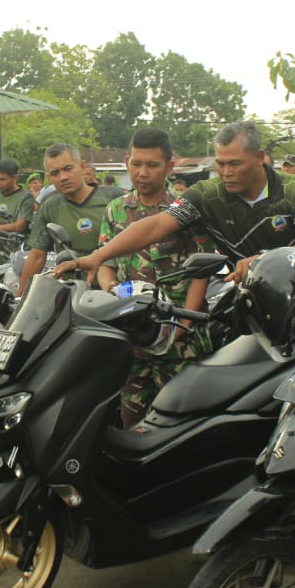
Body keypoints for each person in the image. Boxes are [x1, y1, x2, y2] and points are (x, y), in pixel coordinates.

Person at [60, 121, 295, 286]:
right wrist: (99, 256)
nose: (226, 172)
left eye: (235, 164)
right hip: (246, 295)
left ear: (260, 157)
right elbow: (156, 225)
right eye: (220, 164)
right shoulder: (206, 195)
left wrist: (261, 260)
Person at [97, 128, 214, 427]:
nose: (142, 172)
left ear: (170, 167)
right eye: (136, 164)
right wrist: (110, 289)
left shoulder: (186, 210)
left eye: (152, 165)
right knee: (128, 423)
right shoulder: (115, 210)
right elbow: (105, 262)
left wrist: (184, 325)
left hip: (178, 343)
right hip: (132, 339)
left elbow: (202, 272)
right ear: (126, 162)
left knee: (178, 425)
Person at [16, 143, 113, 296]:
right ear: (49, 177)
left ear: (82, 166)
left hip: (113, 293)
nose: (63, 177)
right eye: (55, 173)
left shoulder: (113, 199)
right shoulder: (49, 207)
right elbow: (36, 255)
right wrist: (20, 295)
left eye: (68, 169)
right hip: (73, 295)